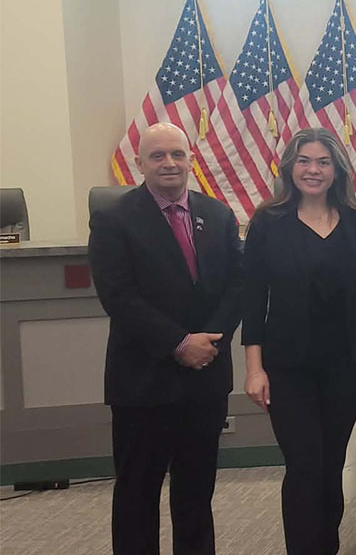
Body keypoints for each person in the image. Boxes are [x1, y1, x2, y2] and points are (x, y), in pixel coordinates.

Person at [87, 122, 242, 555]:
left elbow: (239, 285)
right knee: (138, 496)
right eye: (158, 156)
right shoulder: (114, 219)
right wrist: (179, 343)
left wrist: (209, 341)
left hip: (205, 379)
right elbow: (118, 296)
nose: (169, 163)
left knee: (196, 495)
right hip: (143, 382)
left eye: (177, 154)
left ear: (191, 159)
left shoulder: (218, 214)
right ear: (140, 163)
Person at [240, 128, 356, 554]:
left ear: (337, 171)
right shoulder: (268, 222)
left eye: (323, 162)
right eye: (304, 161)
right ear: (289, 167)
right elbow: (253, 299)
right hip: (288, 367)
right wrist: (254, 369)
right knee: (304, 466)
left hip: (345, 364)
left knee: (331, 467)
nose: (313, 170)